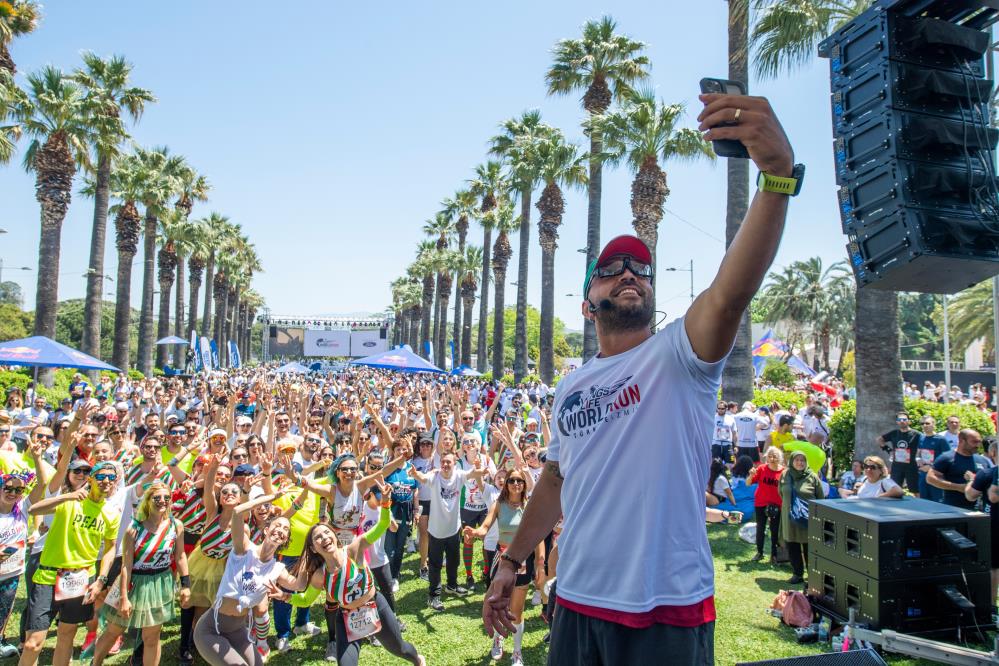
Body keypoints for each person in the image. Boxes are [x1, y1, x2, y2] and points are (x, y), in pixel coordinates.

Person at [481, 90, 796, 665]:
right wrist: (510, 562)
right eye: (609, 269)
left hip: (665, 610)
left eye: (640, 267)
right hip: (575, 600)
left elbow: (731, 291)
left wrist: (775, 177)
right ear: (587, 304)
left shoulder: (681, 354)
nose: (629, 272)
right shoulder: (571, 387)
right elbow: (553, 481)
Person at [277, 488, 426, 666]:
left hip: (375, 607)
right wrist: (286, 597)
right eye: (318, 537)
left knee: (399, 649)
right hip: (347, 618)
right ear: (313, 548)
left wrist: (385, 502)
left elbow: (382, 524)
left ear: (334, 535)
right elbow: (306, 599)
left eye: (326, 532)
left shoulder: (354, 549)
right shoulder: (319, 574)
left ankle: (418, 660)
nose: (324, 538)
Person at [20, 461, 121, 666]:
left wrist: (101, 580)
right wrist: (68, 495)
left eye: (111, 478)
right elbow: (34, 510)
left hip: (81, 579)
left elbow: (110, 548)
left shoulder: (111, 513)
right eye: (101, 477)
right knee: (33, 644)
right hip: (49, 576)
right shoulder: (71, 501)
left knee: (67, 634)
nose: (106, 482)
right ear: (91, 479)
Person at [192, 490, 303, 666]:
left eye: (285, 529)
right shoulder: (244, 549)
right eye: (277, 525)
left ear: (285, 540)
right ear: (266, 529)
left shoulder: (277, 569)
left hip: (237, 631)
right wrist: (271, 497)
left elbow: (299, 584)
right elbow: (236, 513)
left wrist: (311, 560)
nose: (280, 530)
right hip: (211, 630)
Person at [91, 482, 190, 666]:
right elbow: (126, 565)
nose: (162, 501)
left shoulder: (176, 526)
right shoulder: (134, 529)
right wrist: (123, 597)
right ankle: (95, 662)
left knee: (151, 636)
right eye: (157, 498)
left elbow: (181, 555)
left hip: (160, 583)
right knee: (114, 629)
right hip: (132, 582)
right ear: (148, 500)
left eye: (166, 498)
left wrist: (186, 585)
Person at [464, 468, 542, 666]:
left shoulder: (529, 505)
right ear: (506, 484)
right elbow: (485, 526)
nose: (516, 483)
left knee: (517, 609)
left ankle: (517, 652)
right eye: (512, 480)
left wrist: (541, 562)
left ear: (525, 485)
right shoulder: (499, 504)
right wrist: (475, 532)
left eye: (520, 480)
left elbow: (537, 536)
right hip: (502, 558)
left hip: (523, 561)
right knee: (498, 602)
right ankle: (497, 639)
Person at [408, 451, 486, 610]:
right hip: (436, 531)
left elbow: (473, 473)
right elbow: (423, 478)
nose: (445, 465)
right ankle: (434, 595)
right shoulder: (435, 477)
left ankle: (452, 585)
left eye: (448, 462)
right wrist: (415, 474)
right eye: (443, 461)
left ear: (454, 463)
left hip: (453, 529)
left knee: (454, 561)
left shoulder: (459, 475)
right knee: (435, 565)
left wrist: (480, 469)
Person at [780, 450, 824, 585]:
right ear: (792, 461)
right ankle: (797, 574)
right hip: (789, 516)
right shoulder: (785, 475)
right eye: (797, 460)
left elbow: (821, 498)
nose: (800, 463)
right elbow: (781, 493)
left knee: (809, 547)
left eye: (802, 460)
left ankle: (812, 575)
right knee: (792, 545)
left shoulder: (812, 477)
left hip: (807, 519)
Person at [928, 429, 994, 509]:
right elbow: (930, 478)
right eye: (974, 442)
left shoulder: (982, 460)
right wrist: (958, 487)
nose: (977, 445)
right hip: (954, 508)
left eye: (979, 442)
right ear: (962, 441)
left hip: (980, 509)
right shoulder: (947, 458)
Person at [747, 447, 783, 563]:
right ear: (766, 457)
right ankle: (759, 552)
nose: (772, 459)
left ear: (780, 458)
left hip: (777, 505)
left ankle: (774, 555)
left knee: (775, 530)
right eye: (770, 456)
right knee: (760, 528)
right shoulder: (762, 469)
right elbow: (748, 483)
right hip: (761, 502)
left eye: (775, 456)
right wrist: (751, 475)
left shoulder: (784, 472)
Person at [877, 412, 921, 496]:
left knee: (915, 490)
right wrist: (888, 450)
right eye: (899, 420)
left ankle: (919, 507)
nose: (902, 421)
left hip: (911, 466)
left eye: (904, 419)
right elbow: (879, 439)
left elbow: (923, 446)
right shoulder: (894, 433)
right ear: (897, 422)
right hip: (897, 466)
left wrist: (919, 458)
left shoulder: (916, 434)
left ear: (909, 421)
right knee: (894, 489)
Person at [916, 415, 949, 502]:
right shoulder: (921, 438)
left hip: (936, 475)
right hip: (923, 474)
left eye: (927, 423)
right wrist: (918, 459)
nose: (924, 426)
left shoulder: (941, 439)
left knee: (937, 502)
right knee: (924, 501)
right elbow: (918, 453)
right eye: (922, 424)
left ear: (934, 425)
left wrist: (932, 467)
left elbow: (948, 458)